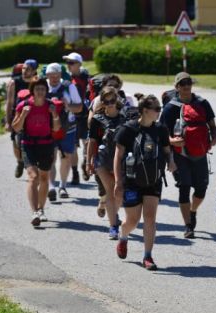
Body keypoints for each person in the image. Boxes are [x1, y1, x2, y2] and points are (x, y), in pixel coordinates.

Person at [113, 95, 177, 270]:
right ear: (145, 110)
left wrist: (171, 161)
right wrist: (118, 182)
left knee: (150, 217)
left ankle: (147, 256)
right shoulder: (128, 129)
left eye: (159, 108)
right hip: (132, 180)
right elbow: (118, 156)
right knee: (132, 221)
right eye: (156, 109)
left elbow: (166, 149)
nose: (159, 112)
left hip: (153, 179)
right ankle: (123, 236)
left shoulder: (161, 130)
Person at [159, 72, 216, 238]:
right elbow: (162, 135)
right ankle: (188, 226)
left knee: (201, 189)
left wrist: (214, 138)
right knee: (184, 188)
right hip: (179, 155)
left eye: (188, 82)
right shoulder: (171, 107)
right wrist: (172, 142)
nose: (186, 86)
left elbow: (213, 126)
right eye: (182, 83)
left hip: (200, 152)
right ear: (177, 87)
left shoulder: (202, 103)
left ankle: (192, 211)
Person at [11, 78, 61, 226]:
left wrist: (54, 115)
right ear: (32, 91)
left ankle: (41, 209)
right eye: (37, 89)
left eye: (43, 89)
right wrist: (23, 115)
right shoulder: (24, 105)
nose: (40, 92)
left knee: (44, 177)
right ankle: (34, 212)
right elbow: (16, 128)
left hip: (46, 144)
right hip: (28, 144)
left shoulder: (50, 106)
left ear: (46, 91)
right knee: (33, 177)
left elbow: (57, 128)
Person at [87, 87, 127, 239]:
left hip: (121, 161)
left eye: (112, 100)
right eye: (106, 101)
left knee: (119, 192)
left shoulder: (126, 116)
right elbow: (92, 141)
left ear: (117, 99)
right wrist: (88, 162)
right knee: (110, 191)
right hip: (102, 159)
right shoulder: (97, 119)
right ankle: (113, 226)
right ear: (102, 102)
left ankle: (113, 215)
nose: (110, 104)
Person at [45, 62, 83, 201]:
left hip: (68, 128)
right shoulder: (43, 86)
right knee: (51, 157)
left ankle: (63, 186)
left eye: (57, 75)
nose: (54, 78)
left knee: (65, 157)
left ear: (61, 74)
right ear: (47, 75)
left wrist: (67, 106)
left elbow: (79, 108)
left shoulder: (69, 86)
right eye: (51, 76)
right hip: (48, 127)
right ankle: (51, 187)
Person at [4, 58, 38, 178]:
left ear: (34, 71)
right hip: (17, 116)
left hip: (33, 118)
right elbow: (9, 102)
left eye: (28, 69)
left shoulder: (37, 82)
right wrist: (8, 121)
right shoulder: (15, 83)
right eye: (23, 68)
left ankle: (33, 165)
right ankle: (19, 162)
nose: (24, 71)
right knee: (16, 143)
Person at [63, 52, 90, 185]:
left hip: (86, 117)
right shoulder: (65, 79)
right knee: (73, 147)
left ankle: (86, 161)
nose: (69, 65)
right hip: (72, 117)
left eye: (71, 63)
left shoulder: (87, 78)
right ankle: (75, 173)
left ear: (79, 64)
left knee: (87, 143)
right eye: (67, 63)